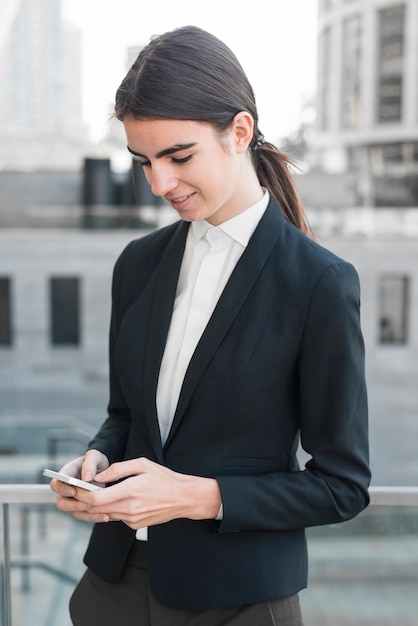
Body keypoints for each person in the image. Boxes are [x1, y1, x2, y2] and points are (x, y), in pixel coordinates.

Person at [50, 25, 370, 626]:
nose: (159, 184)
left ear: (240, 132)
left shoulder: (319, 283)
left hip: (238, 601)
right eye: (144, 161)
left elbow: (342, 486)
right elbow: (126, 417)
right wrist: (94, 462)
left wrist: (198, 496)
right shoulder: (139, 264)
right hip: (112, 589)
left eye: (178, 156)